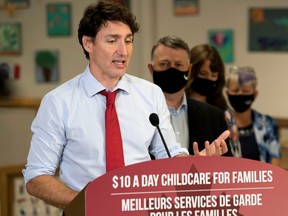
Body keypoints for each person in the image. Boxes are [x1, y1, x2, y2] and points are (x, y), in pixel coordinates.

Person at [22, 1, 229, 210]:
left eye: (128, 41)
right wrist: (91, 203)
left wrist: (195, 163)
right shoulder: (59, 102)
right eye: (112, 40)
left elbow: (169, 154)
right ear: (88, 43)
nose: (123, 51)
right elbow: (36, 178)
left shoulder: (150, 94)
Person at [148, 36, 232, 156]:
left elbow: (228, 168)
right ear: (151, 69)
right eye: (164, 64)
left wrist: (205, 164)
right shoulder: (137, 113)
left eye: (178, 64)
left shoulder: (214, 117)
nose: (172, 70)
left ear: (189, 70)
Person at [185, 44, 241, 157]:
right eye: (203, 73)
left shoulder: (224, 112)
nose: (208, 79)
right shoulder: (179, 106)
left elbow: (235, 154)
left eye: (213, 75)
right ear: (191, 71)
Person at [225, 66, 280, 165]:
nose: (240, 94)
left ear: (255, 94)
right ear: (227, 93)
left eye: (245, 91)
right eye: (235, 90)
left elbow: (275, 162)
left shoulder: (267, 123)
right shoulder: (219, 121)